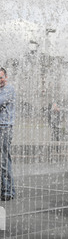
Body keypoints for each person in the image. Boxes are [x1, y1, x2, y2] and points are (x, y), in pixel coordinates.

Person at [0, 68, 16, 201]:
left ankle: (8, 191)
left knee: (4, 160)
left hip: (4, 128)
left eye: (1, 77)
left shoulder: (9, 90)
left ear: (6, 77)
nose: (0, 80)